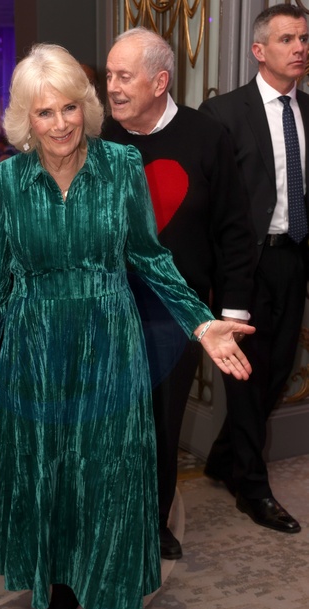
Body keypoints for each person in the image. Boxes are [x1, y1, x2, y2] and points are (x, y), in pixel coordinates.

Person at [0, 43, 255, 609]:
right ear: (25, 119)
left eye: (71, 107)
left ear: (87, 108)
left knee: (112, 476)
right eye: (45, 112)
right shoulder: (6, 181)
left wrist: (201, 321)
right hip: (36, 348)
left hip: (109, 341)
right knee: (53, 473)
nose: (61, 123)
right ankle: (63, 593)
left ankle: (118, 608)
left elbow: (150, 257)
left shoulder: (121, 165)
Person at [102, 27, 255, 560]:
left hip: (179, 314)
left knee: (163, 423)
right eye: (109, 75)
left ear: (160, 81)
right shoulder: (98, 137)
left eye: (125, 76)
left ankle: (154, 521)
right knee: (113, 422)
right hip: (108, 309)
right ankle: (109, 520)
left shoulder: (206, 136)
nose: (112, 87)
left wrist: (230, 311)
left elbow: (234, 229)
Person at [199, 3, 309, 533]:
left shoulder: (308, 109)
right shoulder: (224, 113)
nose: (300, 48)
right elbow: (212, 203)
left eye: (304, 39)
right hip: (243, 266)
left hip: (294, 257)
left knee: (277, 371)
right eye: (288, 39)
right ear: (258, 50)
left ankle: (224, 458)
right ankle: (252, 486)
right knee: (244, 377)